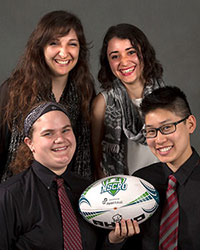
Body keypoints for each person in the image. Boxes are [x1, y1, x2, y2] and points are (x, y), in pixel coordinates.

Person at [0, 102, 139, 250]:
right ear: (30, 143)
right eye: (48, 133)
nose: (60, 139)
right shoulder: (9, 195)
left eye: (66, 130)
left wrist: (113, 240)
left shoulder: (89, 190)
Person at [0, 10, 95, 182]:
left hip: (65, 192)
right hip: (16, 192)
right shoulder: (13, 89)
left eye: (72, 44)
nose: (64, 53)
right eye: (54, 43)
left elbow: (84, 148)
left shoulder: (84, 90)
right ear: (41, 47)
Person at [122, 86, 199, 249]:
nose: (159, 139)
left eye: (166, 128)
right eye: (151, 131)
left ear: (190, 124)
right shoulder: (140, 183)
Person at [91, 23, 164, 179]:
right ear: (108, 62)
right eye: (115, 56)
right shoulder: (102, 103)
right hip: (123, 191)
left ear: (143, 53)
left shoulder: (165, 96)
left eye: (131, 52)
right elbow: (96, 160)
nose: (124, 62)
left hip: (164, 184)